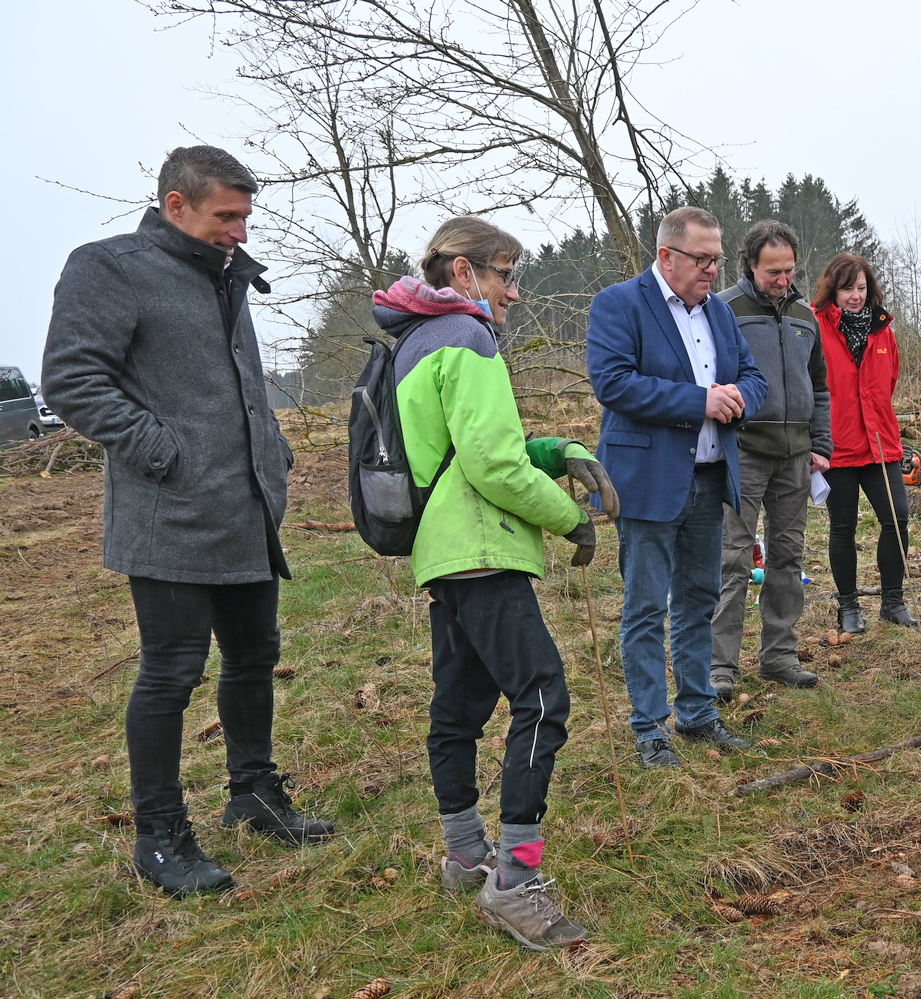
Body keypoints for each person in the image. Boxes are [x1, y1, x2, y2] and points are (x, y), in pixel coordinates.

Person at [41, 145, 334, 899]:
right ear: (176, 204)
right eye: (225, 215)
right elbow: (72, 379)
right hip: (169, 511)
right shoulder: (109, 267)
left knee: (254, 654)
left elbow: (232, 389)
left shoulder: (224, 274)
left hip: (246, 508)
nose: (239, 230)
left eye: (244, 215)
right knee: (172, 671)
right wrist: (162, 452)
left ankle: (255, 795)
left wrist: (272, 448)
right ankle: (160, 837)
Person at [375, 216, 613, 950]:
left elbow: (468, 447)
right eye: (506, 274)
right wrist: (568, 518)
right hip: (482, 549)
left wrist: (558, 449)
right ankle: (516, 879)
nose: (514, 291)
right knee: (543, 697)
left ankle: (463, 853)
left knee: (460, 705)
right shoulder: (469, 337)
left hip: (443, 554)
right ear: (464, 274)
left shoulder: (416, 338)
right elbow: (491, 468)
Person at [588, 207, 767, 768]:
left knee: (700, 600)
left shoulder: (719, 312)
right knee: (645, 607)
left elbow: (754, 378)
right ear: (667, 256)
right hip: (646, 482)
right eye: (703, 258)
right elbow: (613, 383)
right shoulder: (620, 303)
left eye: (718, 258)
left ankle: (697, 713)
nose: (714, 269)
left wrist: (738, 399)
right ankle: (650, 728)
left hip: (710, 480)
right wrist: (700, 401)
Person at [711, 220, 832, 700]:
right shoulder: (723, 310)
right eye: (772, 272)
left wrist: (820, 443)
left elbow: (819, 386)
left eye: (789, 271)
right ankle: (720, 666)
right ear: (749, 266)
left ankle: (779, 655)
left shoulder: (806, 316)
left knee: (788, 557)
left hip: (797, 457)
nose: (782, 280)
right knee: (733, 560)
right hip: (742, 454)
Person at [816, 252, 917, 631]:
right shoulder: (815, 327)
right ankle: (848, 606)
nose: (855, 296)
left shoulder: (882, 330)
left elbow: (888, 380)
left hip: (880, 444)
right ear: (832, 290)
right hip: (837, 445)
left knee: (897, 519)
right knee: (842, 527)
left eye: (860, 288)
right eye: (847, 289)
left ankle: (893, 601)